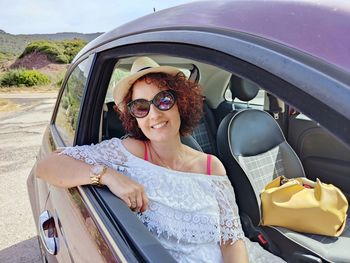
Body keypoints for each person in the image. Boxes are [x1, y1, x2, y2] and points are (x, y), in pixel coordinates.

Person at [36, 57, 284, 263]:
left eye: (163, 100)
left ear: (180, 103)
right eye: (141, 107)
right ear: (134, 116)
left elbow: (232, 240)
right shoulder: (125, 153)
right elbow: (47, 166)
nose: (154, 114)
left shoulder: (211, 166)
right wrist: (107, 175)